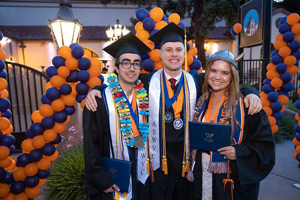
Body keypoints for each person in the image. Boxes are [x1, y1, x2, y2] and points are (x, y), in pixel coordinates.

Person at [85, 23, 262, 200]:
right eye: (168, 50)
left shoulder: (197, 82)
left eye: (178, 49)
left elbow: (225, 83)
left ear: (184, 54)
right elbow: (121, 85)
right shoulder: (147, 82)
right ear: (160, 54)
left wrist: (250, 93)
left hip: (188, 169)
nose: (174, 54)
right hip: (157, 168)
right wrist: (97, 90)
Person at [191, 50, 275, 200]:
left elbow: (265, 147)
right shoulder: (200, 99)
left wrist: (240, 152)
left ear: (232, 77)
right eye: (214, 70)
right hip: (200, 175)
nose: (217, 77)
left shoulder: (246, 107)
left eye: (225, 73)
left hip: (230, 179)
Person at [83, 32, 151, 200]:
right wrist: (102, 180)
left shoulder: (146, 95)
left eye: (136, 63)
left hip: (142, 176)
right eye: (126, 63)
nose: (131, 68)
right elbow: (91, 146)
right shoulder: (99, 101)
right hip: (111, 179)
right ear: (116, 67)